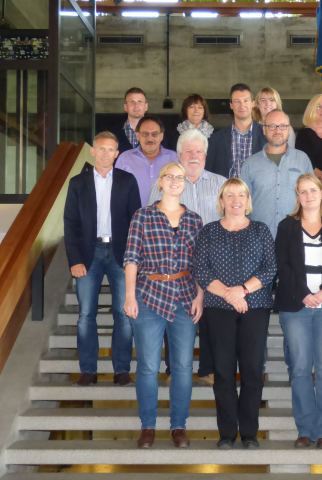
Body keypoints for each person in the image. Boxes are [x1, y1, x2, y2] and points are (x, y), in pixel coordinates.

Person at [123, 162, 204, 449]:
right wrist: (129, 295)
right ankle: (147, 427)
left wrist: (200, 296)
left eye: (179, 178)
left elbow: (200, 265)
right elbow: (131, 258)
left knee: (182, 367)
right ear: (160, 181)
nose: (174, 181)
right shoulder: (142, 216)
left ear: (185, 183)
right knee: (147, 366)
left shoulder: (195, 220)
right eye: (169, 176)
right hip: (148, 296)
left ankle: (179, 427)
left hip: (184, 297)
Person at [194, 178, 276, 451]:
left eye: (241, 195)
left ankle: (250, 434)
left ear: (248, 200)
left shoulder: (261, 230)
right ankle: (227, 433)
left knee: (252, 371)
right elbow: (202, 272)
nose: (236, 200)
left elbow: (269, 269)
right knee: (224, 372)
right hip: (219, 310)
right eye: (230, 195)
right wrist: (229, 295)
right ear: (221, 201)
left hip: (255, 307)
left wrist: (241, 291)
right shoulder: (208, 232)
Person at [275, 173, 322, 450]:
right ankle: (305, 429)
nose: (308, 196)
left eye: (313, 190)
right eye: (302, 192)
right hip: (296, 306)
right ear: (298, 196)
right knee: (301, 368)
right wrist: (304, 295)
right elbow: (282, 264)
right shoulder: (286, 226)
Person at [147, 129, 227, 388]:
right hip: (175, 265)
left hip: (213, 263)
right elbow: (151, 219)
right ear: (179, 154)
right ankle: (172, 369)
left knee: (212, 318)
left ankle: (208, 368)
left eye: (199, 151)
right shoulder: (164, 184)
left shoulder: (220, 184)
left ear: (206, 154)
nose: (194, 155)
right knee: (175, 313)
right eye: (188, 151)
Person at [63, 131, 141, 387]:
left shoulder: (128, 181)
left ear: (117, 154)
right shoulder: (77, 183)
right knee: (86, 314)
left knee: (124, 313)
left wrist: (135, 257)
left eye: (111, 150)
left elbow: (136, 222)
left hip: (121, 255)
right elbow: (70, 223)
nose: (106, 154)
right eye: (102, 149)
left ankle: (121, 369)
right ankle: (88, 370)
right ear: (93, 152)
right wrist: (74, 259)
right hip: (88, 255)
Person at [240, 109, 313, 239]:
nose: (278, 131)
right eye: (272, 126)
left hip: (295, 237)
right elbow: (243, 206)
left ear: (289, 129)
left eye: (283, 126)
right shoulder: (250, 164)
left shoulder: (302, 159)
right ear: (264, 130)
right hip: (258, 240)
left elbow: (313, 200)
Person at [115, 114, 178, 207]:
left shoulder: (173, 158)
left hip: (166, 218)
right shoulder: (124, 158)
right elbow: (116, 191)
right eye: (145, 134)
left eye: (154, 134)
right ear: (138, 136)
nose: (150, 138)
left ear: (161, 136)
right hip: (133, 217)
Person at [205, 83, 265, 179]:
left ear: (253, 103)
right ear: (231, 105)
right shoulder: (216, 139)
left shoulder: (266, 135)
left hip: (257, 193)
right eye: (237, 101)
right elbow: (209, 173)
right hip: (227, 192)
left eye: (246, 101)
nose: (242, 105)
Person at [109, 87, 172, 154]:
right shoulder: (113, 134)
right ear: (126, 107)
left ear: (146, 106)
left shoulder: (158, 133)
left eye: (140, 102)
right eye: (132, 102)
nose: (136, 105)